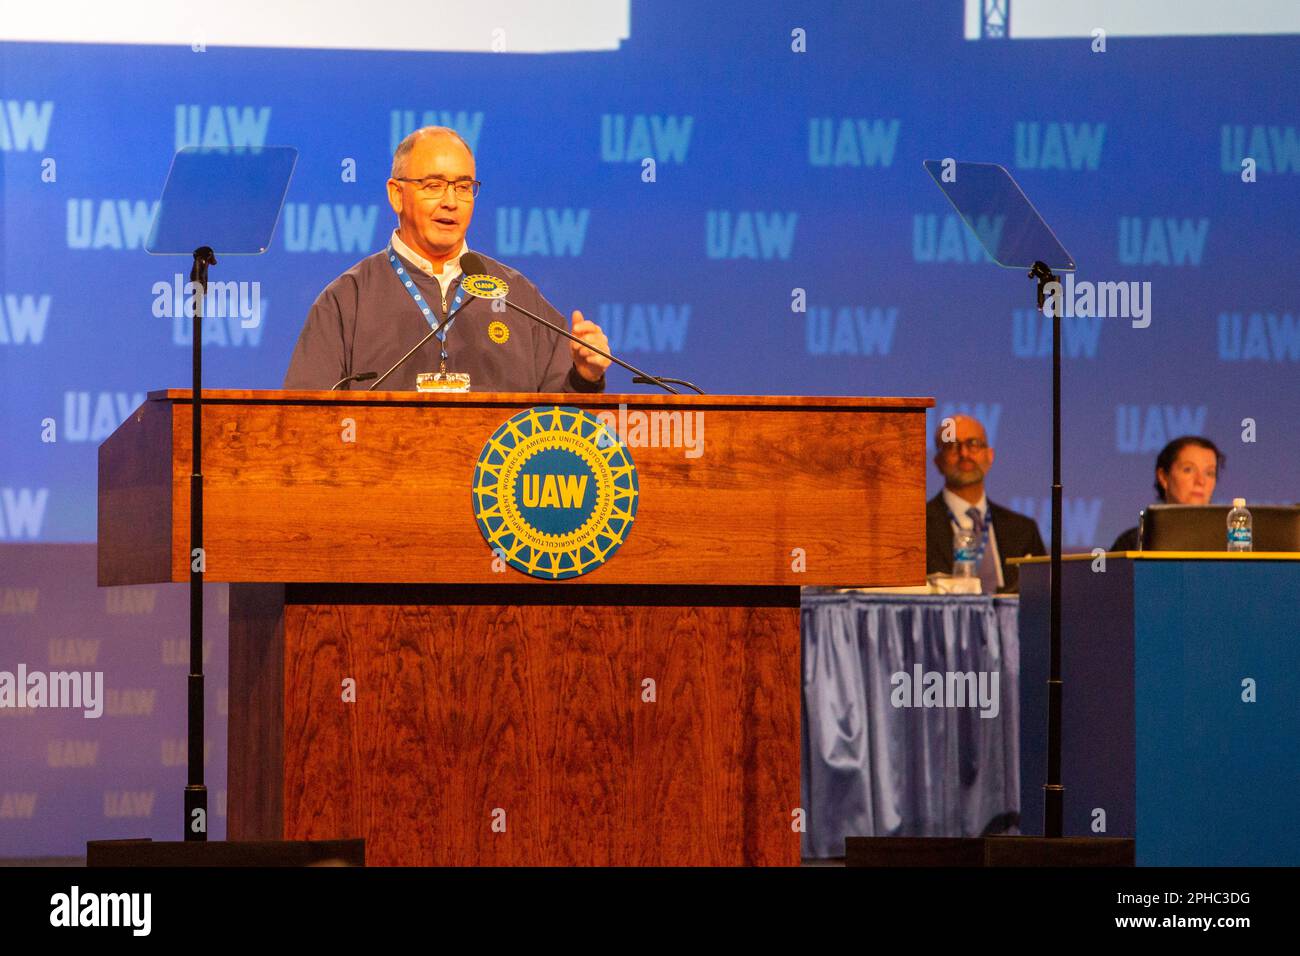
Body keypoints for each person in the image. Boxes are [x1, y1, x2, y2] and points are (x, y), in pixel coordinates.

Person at [284, 126, 611, 391]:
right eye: (434, 185)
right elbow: (304, 422)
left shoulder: (517, 297)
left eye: (464, 187)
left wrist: (584, 377)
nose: (451, 202)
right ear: (396, 194)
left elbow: (561, 431)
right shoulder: (347, 300)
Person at [925, 415, 1047, 594]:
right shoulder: (916, 528)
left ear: (990, 456)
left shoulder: (1023, 530)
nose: (964, 453)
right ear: (938, 462)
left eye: (973, 444)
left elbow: (1042, 596)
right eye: (952, 446)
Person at [1109, 435, 1224, 551]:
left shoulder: (1231, 542)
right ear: (1163, 477)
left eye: (1209, 473)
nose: (1200, 481)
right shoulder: (1133, 543)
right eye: (1188, 469)